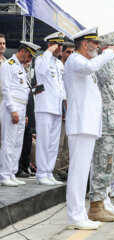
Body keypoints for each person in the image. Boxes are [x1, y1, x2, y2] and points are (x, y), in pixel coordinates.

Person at [63, 27, 114, 230]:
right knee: (78, 173)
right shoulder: (76, 60)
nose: (98, 46)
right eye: (95, 43)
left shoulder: (85, 62)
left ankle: (78, 214)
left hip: (87, 126)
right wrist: (109, 52)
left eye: (99, 44)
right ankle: (75, 215)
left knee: (81, 174)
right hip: (80, 125)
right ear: (85, 44)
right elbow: (90, 68)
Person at [88, 30, 114, 222]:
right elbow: (103, 78)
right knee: (102, 163)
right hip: (107, 122)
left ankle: (102, 203)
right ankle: (95, 206)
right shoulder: (103, 63)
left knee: (110, 165)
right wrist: (110, 54)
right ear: (108, 47)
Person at [0, 41, 41, 187]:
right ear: (23, 51)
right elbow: (5, 89)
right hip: (12, 107)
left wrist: (23, 113)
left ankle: (12, 172)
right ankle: (4, 174)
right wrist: (13, 110)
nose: (30, 60)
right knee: (9, 142)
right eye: (29, 56)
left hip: (22, 107)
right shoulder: (8, 65)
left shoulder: (21, 67)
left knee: (18, 143)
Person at [34, 32, 66, 185]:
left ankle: (49, 172)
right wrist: (48, 52)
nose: (60, 47)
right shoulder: (41, 59)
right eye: (57, 44)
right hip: (45, 107)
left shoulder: (59, 64)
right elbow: (40, 72)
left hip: (57, 107)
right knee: (44, 141)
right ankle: (41, 173)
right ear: (49, 44)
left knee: (54, 143)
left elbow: (62, 87)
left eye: (61, 44)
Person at [53, 42, 74, 181]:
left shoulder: (74, 67)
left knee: (68, 142)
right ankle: (56, 169)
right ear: (62, 53)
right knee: (59, 142)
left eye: (73, 52)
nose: (70, 55)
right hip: (60, 106)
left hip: (72, 107)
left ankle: (64, 168)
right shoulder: (58, 66)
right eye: (68, 52)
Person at [0, 33, 7, 147]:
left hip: (4, 102)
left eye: (3, 43)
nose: (2, 46)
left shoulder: (7, 62)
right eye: (0, 43)